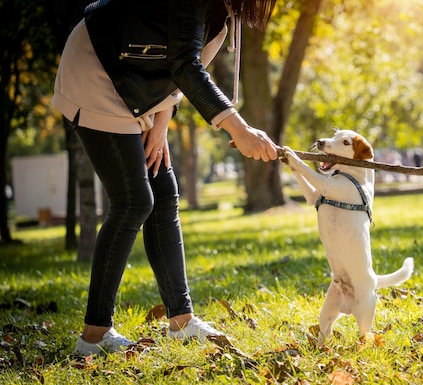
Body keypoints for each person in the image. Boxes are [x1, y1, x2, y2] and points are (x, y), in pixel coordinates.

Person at [52, 0, 278, 356]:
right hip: (99, 66)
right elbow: (185, 65)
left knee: (163, 192)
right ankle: (93, 336)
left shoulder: (225, 13)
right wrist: (241, 128)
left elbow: (183, 69)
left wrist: (160, 124)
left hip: (140, 84)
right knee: (133, 201)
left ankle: (182, 322)